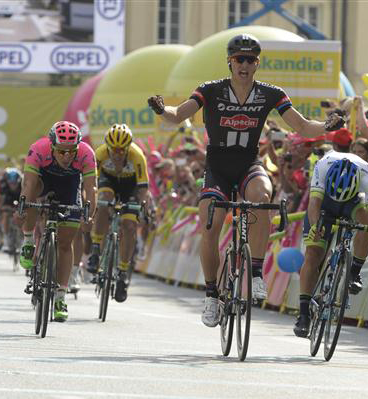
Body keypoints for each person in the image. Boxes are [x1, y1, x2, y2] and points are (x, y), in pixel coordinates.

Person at [147, 33, 344, 327]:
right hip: (217, 168)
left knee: (262, 199)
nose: (245, 64)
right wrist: (163, 109)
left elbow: (302, 125)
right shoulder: (210, 90)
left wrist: (327, 127)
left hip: (249, 164)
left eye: (250, 59)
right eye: (239, 58)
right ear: (230, 61)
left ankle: (254, 271)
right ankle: (212, 295)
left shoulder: (270, 93)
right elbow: (179, 115)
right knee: (210, 225)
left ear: (257, 64)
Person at [293, 151, 368, 337]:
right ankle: (303, 315)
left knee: (367, 225)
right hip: (325, 201)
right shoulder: (323, 165)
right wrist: (316, 229)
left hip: (353, 201)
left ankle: (354, 272)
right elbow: (314, 203)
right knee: (313, 254)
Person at [18, 121, 96, 322]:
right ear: (52, 146)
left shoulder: (86, 154)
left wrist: (89, 215)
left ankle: (61, 297)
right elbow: (28, 184)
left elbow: (90, 189)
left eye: (72, 151)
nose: (67, 156)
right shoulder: (38, 149)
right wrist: (23, 208)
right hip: (43, 181)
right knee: (32, 195)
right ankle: (28, 241)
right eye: (61, 152)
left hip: (69, 187)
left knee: (65, 242)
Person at [87, 123, 149, 302]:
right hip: (108, 181)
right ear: (108, 146)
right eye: (114, 149)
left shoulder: (137, 156)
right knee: (104, 200)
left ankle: (122, 271)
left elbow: (143, 187)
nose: (117, 153)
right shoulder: (99, 154)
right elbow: (91, 182)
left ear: (128, 147)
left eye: (122, 150)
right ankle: (96, 248)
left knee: (129, 225)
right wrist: (92, 201)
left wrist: (142, 205)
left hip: (130, 187)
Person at [0, 167, 22, 251]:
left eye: (15, 184)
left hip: (19, 199)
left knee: (22, 216)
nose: (13, 186)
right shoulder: (3, 184)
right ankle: (6, 239)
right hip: (8, 201)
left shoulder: (22, 184)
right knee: (5, 214)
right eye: (11, 183)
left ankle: (21, 240)